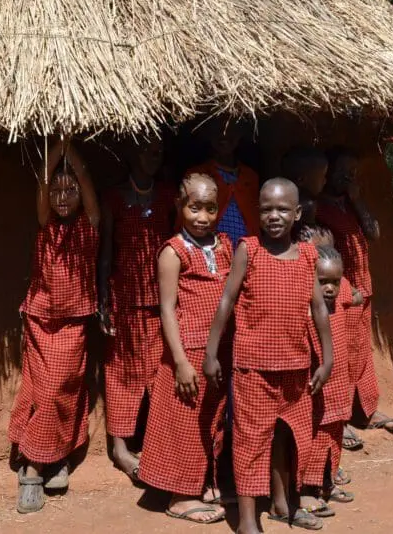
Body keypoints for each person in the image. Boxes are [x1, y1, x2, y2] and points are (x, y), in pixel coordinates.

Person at [204, 178, 334, 534]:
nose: (273, 216)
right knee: (250, 441)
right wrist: (212, 352)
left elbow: (319, 308)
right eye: (266, 209)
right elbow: (227, 301)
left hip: (295, 367)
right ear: (257, 212)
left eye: (281, 209)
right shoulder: (249, 249)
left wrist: (327, 357)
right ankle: (248, 520)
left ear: (297, 214)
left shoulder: (308, 255)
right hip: (253, 369)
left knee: (286, 436)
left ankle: (281, 504)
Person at [9, 139, 100, 514]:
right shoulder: (46, 224)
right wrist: (56, 148)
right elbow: (42, 184)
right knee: (41, 392)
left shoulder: (90, 225)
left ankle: (48, 460)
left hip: (73, 323)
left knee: (62, 392)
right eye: (57, 191)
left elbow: (87, 185)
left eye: (70, 191)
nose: (62, 197)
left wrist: (71, 154)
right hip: (39, 319)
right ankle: (35, 467)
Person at [139, 174, 232, 524]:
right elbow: (166, 309)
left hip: (218, 351)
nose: (203, 217)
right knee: (186, 422)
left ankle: (205, 483)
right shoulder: (172, 252)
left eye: (210, 208)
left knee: (212, 419)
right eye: (195, 208)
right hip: (188, 352)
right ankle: (180, 496)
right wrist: (179, 361)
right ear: (180, 207)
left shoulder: (222, 245)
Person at [316, 149, 393, 453]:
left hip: (363, 290)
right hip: (339, 295)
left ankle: (367, 412)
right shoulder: (318, 210)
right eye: (343, 171)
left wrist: (357, 199)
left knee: (361, 354)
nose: (348, 177)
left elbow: (375, 233)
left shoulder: (351, 204)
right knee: (338, 356)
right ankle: (337, 421)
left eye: (354, 172)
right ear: (327, 173)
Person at [98, 137, 174, 481]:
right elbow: (106, 250)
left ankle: (158, 441)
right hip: (124, 299)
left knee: (160, 372)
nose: (152, 157)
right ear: (130, 154)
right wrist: (103, 300)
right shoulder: (114, 197)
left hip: (160, 302)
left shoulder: (167, 195)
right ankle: (120, 447)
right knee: (120, 374)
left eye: (158, 151)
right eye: (146, 150)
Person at [300, 246, 360, 517]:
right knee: (314, 437)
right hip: (315, 391)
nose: (329, 288)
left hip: (338, 388)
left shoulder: (338, 304)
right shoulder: (305, 311)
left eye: (335, 282)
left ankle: (326, 482)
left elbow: (357, 297)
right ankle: (306, 491)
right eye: (322, 282)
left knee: (334, 436)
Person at [186, 118, 259, 247]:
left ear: (240, 133)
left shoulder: (250, 176)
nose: (224, 134)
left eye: (231, 129)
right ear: (208, 134)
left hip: (248, 253)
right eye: (217, 129)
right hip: (211, 251)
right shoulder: (198, 174)